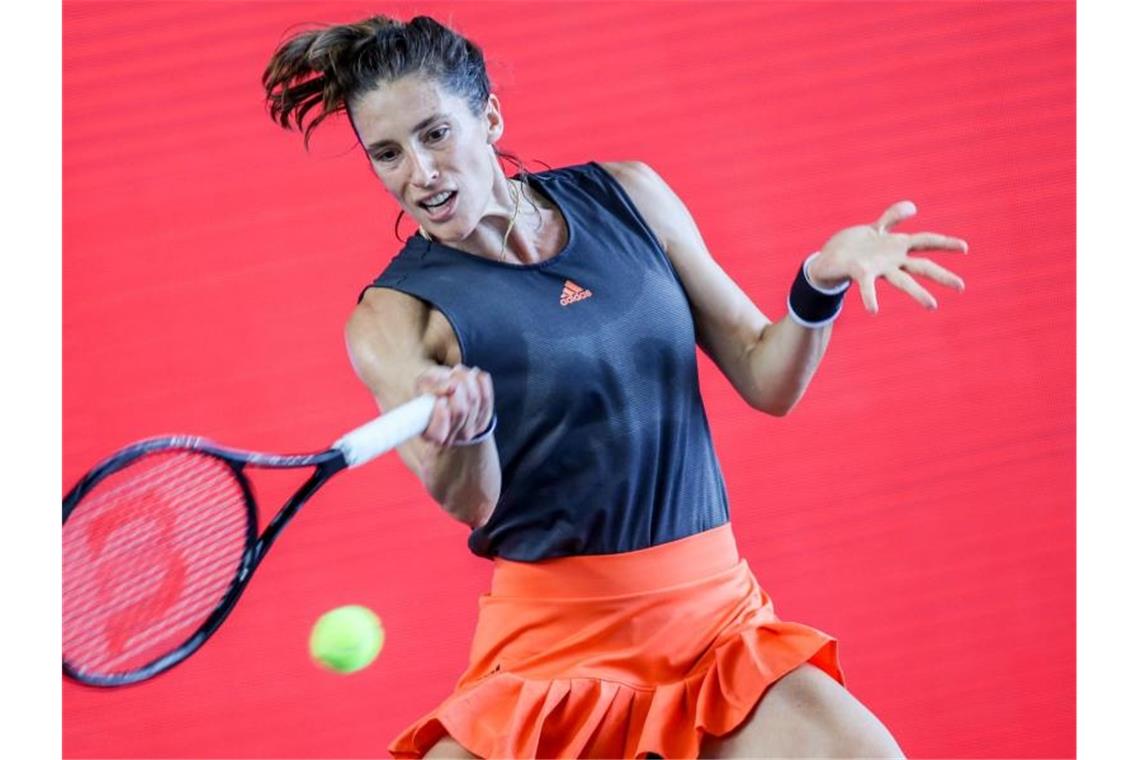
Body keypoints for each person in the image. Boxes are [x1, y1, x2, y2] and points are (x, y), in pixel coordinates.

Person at [262, 14, 967, 759]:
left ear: (490, 115)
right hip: (553, 649)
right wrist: (467, 432)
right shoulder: (394, 316)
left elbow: (767, 376)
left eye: (435, 134)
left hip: (716, 624)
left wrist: (818, 284)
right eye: (387, 154)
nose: (420, 174)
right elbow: (470, 500)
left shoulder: (628, 196)